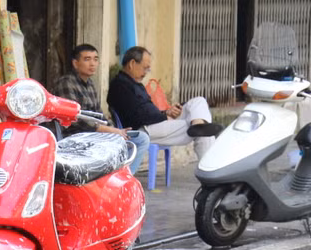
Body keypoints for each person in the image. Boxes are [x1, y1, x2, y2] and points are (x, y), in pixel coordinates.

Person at [108, 46, 223, 158]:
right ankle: (208, 170)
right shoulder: (121, 86)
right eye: (145, 68)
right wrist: (164, 115)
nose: (146, 72)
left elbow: (146, 110)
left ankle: (198, 124)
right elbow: (139, 116)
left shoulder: (132, 84)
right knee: (204, 132)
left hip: (155, 122)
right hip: (144, 129)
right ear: (132, 64)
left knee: (199, 101)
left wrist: (166, 112)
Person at [53, 44, 150, 175]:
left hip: (94, 134)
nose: (92, 63)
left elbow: (99, 115)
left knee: (141, 139)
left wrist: (116, 130)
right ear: (76, 63)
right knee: (117, 143)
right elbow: (77, 120)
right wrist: (112, 131)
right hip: (74, 137)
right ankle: (117, 177)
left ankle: (125, 176)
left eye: (95, 59)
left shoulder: (90, 84)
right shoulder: (67, 83)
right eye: (87, 59)